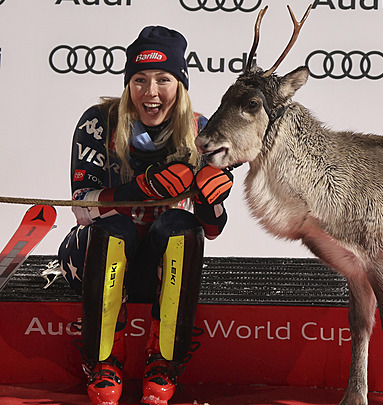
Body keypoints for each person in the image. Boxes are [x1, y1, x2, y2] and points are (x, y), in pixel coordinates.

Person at [57, 26, 233, 405]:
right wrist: (143, 190)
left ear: (180, 85)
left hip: (159, 267)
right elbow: (80, 207)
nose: (151, 93)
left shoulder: (201, 131)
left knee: (180, 226)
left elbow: (214, 229)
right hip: (95, 256)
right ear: (128, 84)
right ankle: (102, 361)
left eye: (163, 80)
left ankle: (164, 362)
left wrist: (208, 201)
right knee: (113, 226)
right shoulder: (98, 122)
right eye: (140, 80)